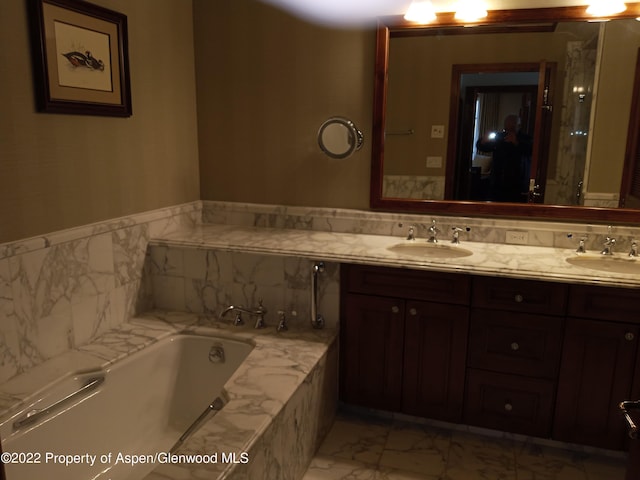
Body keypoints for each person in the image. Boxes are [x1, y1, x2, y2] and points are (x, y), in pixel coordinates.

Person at [476, 114, 532, 202]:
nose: (508, 131)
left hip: (517, 184)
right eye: (506, 128)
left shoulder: (526, 138)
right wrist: (483, 141)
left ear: (519, 126)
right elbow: (483, 148)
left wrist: (516, 142)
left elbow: (530, 151)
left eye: (511, 129)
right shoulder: (500, 137)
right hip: (497, 182)